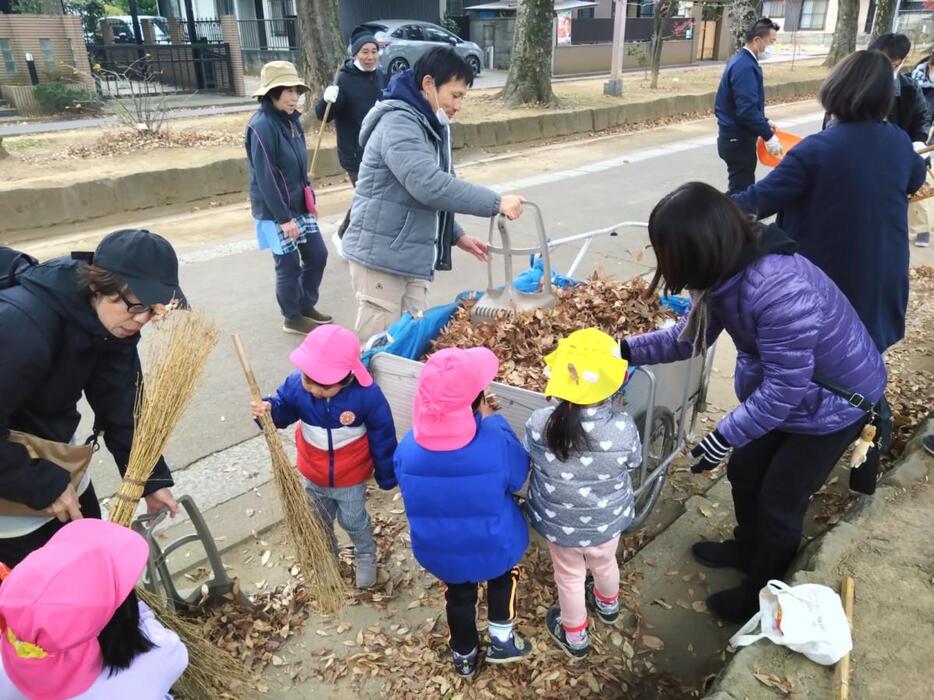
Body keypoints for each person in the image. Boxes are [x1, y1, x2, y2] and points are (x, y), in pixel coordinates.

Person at [620, 182, 887, 623]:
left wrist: (723, 434)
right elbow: (687, 340)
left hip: (833, 404)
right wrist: (623, 350)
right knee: (745, 471)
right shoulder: (723, 275)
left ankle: (763, 593)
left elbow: (786, 387)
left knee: (780, 498)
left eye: (667, 250)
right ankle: (747, 549)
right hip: (790, 393)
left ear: (698, 248)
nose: (664, 261)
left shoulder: (779, 290)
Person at [0, 230, 182, 570]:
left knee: (93, 571)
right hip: (9, 485)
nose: (142, 320)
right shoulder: (22, 326)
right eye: (136, 305)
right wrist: (43, 485)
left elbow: (122, 401)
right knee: (41, 598)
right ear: (97, 286)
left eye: (154, 310)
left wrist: (148, 479)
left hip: (56, 456)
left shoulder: (115, 325)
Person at [734, 50, 926, 352]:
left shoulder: (817, 150)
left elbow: (756, 202)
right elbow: (915, 178)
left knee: (820, 378)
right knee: (861, 373)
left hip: (829, 288)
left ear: (835, 88)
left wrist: (701, 207)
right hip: (880, 284)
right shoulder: (899, 141)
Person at [340, 47, 526, 341]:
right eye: (455, 95)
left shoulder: (428, 122)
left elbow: (430, 192)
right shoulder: (398, 123)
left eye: (462, 96)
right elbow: (428, 185)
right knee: (379, 347)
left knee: (412, 339)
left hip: (409, 255)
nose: (459, 105)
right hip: (381, 258)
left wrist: (455, 235)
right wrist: (496, 202)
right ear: (428, 84)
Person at [394, 347, 531, 677]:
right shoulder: (494, 437)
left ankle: (464, 654)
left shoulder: (408, 446)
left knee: (459, 595)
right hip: (495, 541)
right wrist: (493, 420)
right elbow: (518, 475)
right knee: (502, 578)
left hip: (441, 548)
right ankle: (502, 640)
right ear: (479, 400)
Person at [250, 324, 397, 588]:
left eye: (325, 386)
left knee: (353, 520)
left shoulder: (366, 396)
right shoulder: (297, 386)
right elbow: (283, 410)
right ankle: (327, 555)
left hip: (350, 476)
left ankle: (365, 554)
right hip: (313, 473)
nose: (315, 391)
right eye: (309, 381)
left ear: (346, 377)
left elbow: (382, 434)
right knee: (318, 520)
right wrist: (269, 411)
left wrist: (386, 474)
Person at [525, 328, 641, 659]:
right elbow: (634, 463)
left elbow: (530, 455)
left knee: (570, 577)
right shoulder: (622, 428)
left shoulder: (539, 422)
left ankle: (575, 637)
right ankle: (608, 605)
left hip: (559, 523)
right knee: (605, 563)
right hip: (606, 521)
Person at [0, 519, 188, 699]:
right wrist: (141, 613)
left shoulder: (6, 665)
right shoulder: (161, 655)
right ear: (120, 616)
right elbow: (177, 653)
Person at [247, 60, 331, 336]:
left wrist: (310, 200)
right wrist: (284, 219)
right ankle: (292, 317)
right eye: (287, 90)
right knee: (289, 265)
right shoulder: (261, 126)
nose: (295, 97)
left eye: (297, 90)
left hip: (299, 205)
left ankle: (306, 305)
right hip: (275, 212)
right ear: (271, 92)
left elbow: (299, 168)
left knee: (317, 254)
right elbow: (265, 177)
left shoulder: (292, 122)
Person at [315, 33, 386, 239]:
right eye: (365, 52)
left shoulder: (380, 75)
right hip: (354, 152)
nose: (370, 57)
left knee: (372, 196)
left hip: (378, 149)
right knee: (368, 196)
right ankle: (345, 234)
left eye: (374, 51)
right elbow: (323, 115)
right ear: (356, 54)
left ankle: (355, 235)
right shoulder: (344, 79)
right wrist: (326, 99)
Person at [869, 34, 932, 248]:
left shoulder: (908, 88)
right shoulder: (857, 81)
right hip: (864, 157)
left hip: (897, 159)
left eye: (889, 61)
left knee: (902, 200)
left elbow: (922, 117)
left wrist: (920, 141)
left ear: (900, 60)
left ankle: (918, 231)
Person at [714, 18, 782, 194]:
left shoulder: (742, 60)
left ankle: (722, 216)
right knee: (741, 192)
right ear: (758, 40)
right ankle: (717, 218)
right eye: (771, 41)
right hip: (737, 139)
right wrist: (768, 136)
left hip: (734, 137)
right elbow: (746, 110)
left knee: (740, 187)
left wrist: (764, 121)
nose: (772, 46)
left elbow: (742, 105)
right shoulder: (744, 66)